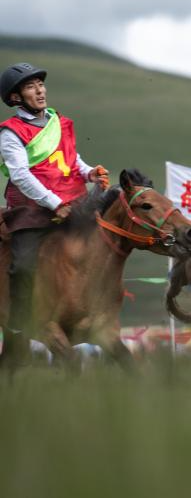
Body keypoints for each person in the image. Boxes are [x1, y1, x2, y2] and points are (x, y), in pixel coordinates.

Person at [0, 63, 109, 360]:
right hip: (30, 210)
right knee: (22, 266)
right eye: (31, 87)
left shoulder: (56, 121)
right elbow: (20, 175)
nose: (40, 91)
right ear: (16, 97)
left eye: (40, 84)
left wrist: (89, 173)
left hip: (69, 202)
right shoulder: (10, 133)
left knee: (101, 245)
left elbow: (71, 159)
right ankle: (19, 326)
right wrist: (54, 203)